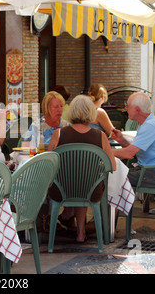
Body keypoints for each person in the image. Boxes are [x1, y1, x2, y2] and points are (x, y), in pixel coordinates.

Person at [48, 95, 116, 243]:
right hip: (91, 191)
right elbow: (112, 166)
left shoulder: (58, 134)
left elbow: (48, 164)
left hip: (61, 190)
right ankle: (81, 233)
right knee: (85, 181)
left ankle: (47, 228)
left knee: (75, 181)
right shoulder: (101, 136)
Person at [111, 92, 155, 193]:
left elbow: (129, 154)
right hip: (154, 171)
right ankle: (119, 208)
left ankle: (116, 208)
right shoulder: (147, 123)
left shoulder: (149, 125)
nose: (126, 108)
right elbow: (135, 152)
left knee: (112, 175)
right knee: (113, 173)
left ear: (137, 109)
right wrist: (121, 140)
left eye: (127, 106)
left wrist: (105, 151)